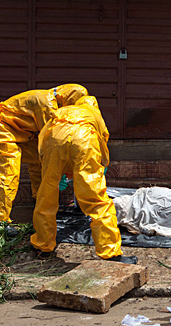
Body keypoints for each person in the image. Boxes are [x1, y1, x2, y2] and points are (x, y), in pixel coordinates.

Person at [31, 95, 136, 263]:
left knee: (46, 197)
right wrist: (102, 166)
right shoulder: (93, 113)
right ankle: (110, 253)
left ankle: (42, 247)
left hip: (54, 138)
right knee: (97, 200)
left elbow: (43, 140)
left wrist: (55, 174)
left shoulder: (62, 111)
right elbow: (102, 141)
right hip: (84, 138)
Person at [0, 84, 88, 223]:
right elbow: (53, 141)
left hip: (23, 131)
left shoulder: (53, 102)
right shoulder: (47, 105)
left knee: (38, 161)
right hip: (2, 128)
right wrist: (61, 172)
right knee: (9, 173)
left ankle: (39, 203)